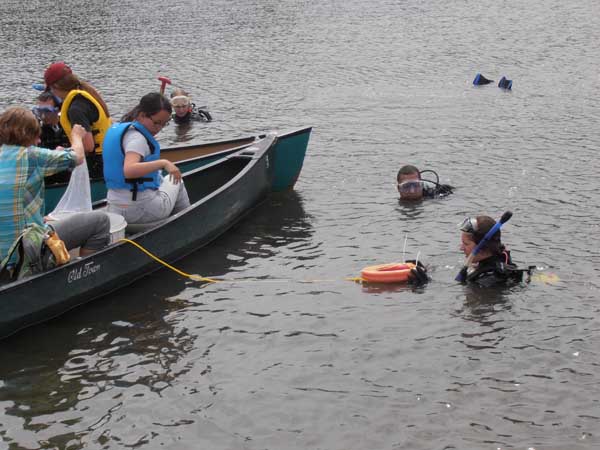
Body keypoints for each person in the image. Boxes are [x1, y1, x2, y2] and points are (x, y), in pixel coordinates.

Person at [0, 107, 110, 279]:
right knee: (100, 222)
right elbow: (78, 157)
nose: (38, 141)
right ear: (30, 134)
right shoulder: (32, 156)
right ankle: (80, 278)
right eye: (37, 136)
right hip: (27, 251)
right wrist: (76, 136)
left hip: (4, 254)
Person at [103, 92, 190, 225]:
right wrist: (164, 163)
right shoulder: (138, 139)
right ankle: (187, 222)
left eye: (164, 124)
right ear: (142, 115)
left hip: (115, 208)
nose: (159, 128)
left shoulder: (121, 129)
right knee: (176, 180)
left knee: (159, 178)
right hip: (142, 211)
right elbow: (129, 170)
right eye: (157, 123)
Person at [43, 61, 111, 179]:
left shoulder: (76, 108)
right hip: (106, 159)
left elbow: (88, 146)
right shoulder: (84, 96)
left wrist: (64, 151)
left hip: (96, 165)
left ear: (54, 87)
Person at [459, 215, 531, 286]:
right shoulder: (501, 258)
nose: (461, 248)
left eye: (466, 244)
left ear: (483, 247)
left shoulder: (487, 281)